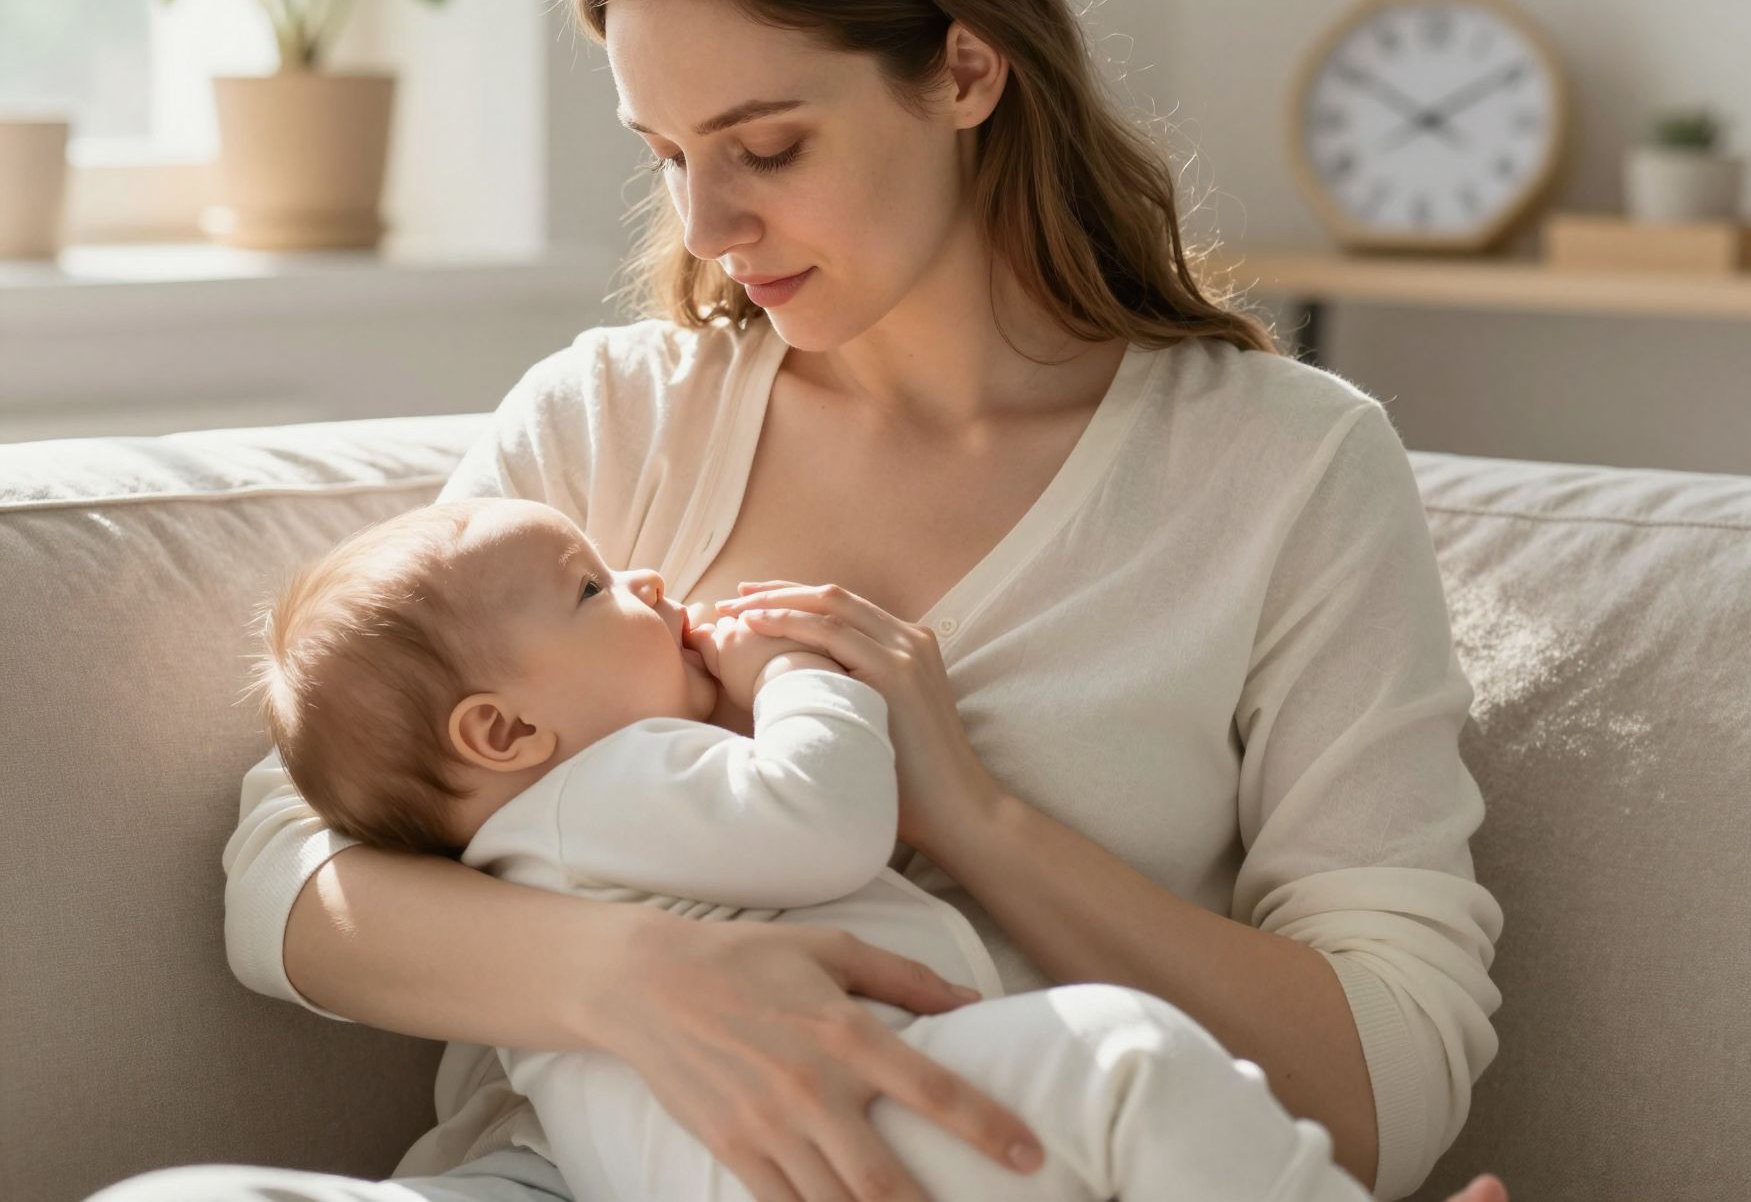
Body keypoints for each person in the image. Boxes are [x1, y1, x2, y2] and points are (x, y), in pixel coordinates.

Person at [91, 0, 1510, 1202]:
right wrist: (641, 979)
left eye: (768, 146)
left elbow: (1396, 1072)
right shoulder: (614, 420)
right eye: (669, 158)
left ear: (965, 70)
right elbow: (288, 870)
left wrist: (976, 819)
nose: (710, 223)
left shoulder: (1284, 466)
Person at [240, 492, 1380, 1202]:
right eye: (590, 589)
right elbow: (821, 818)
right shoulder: (606, 786)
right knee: (1122, 1058)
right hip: (807, 1141)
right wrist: (794, 678)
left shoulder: (535, 843)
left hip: (728, 1165)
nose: (642, 578)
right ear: (503, 731)